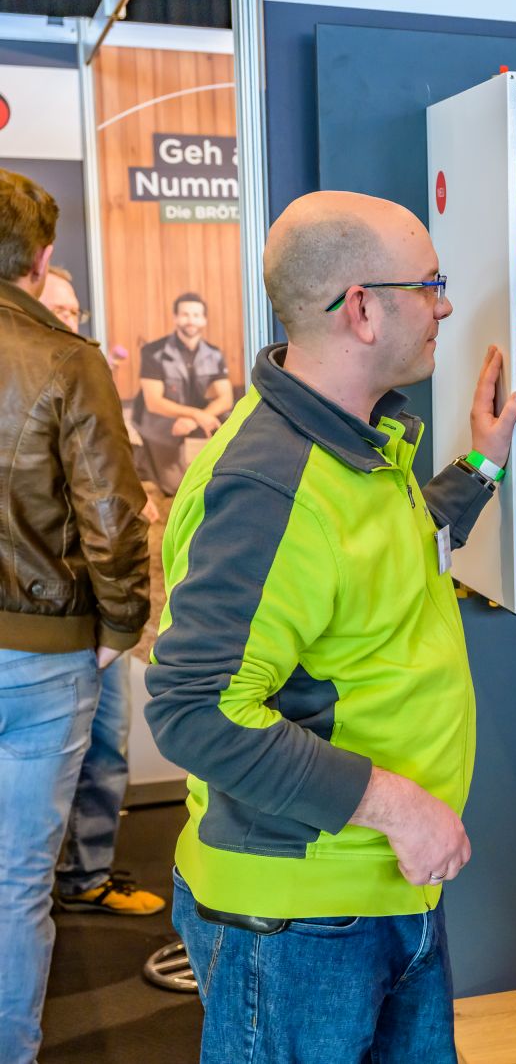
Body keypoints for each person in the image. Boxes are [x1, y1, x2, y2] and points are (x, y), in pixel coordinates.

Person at [144, 190, 516, 1063]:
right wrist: (399, 808)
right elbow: (193, 710)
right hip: (298, 922)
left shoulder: (354, 443)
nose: (444, 306)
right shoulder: (268, 483)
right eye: (429, 284)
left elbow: (385, 559)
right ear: (362, 308)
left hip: (382, 888)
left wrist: (481, 465)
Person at [0, 169, 150, 1063]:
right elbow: (111, 513)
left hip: (44, 654)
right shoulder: (66, 358)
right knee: (16, 883)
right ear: (44, 256)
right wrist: (120, 627)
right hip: (43, 655)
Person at [37, 266, 167, 917]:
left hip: (98, 609)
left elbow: (113, 480)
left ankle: (85, 876)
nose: (71, 320)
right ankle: (30, 889)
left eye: (75, 310)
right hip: (42, 616)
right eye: (58, 307)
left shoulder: (88, 376)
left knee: (108, 744)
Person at [135, 292, 233, 495]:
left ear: (204, 320)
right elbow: (154, 402)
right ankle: (142, 459)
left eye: (196, 315)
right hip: (160, 418)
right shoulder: (153, 352)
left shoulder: (213, 354)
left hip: (193, 415)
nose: (191, 320)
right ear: (175, 318)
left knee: (231, 419)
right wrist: (197, 415)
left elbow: (226, 398)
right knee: (174, 487)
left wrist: (196, 419)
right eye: (185, 314)